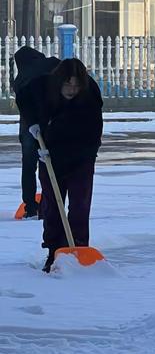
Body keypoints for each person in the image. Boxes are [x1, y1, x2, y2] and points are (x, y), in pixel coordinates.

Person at [17, 58, 103, 273]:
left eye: (76, 85)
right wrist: (33, 124)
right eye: (68, 84)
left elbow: (94, 131)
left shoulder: (89, 93)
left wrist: (88, 157)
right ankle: (54, 251)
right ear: (59, 81)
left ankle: (78, 250)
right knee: (52, 207)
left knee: (80, 207)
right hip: (49, 155)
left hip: (81, 157)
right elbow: (22, 96)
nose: (72, 90)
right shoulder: (43, 85)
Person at [13, 47, 60, 219]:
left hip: (29, 124)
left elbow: (23, 104)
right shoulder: (51, 64)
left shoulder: (20, 80)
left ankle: (31, 206)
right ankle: (50, 202)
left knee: (29, 165)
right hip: (50, 120)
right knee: (47, 164)